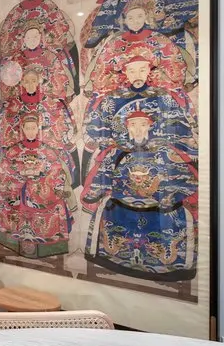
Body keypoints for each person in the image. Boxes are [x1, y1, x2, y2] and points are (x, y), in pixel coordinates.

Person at [80, 109, 198, 281]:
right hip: (121, 208)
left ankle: (168, 270)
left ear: (150, 126)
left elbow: (185, 180)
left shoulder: (164, 151)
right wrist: (100, 192)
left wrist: (168, 196)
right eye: (133, 125)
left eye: (143, 125)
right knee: (106, 211)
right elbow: (102, 176)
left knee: (176, 218)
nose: (137, 130)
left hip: (157, 211)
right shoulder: (116, 151)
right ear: (127, 127)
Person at [81, 53, 195, 178]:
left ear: (148, 71)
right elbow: (98, 126)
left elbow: (178, 126)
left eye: (142, 70)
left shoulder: (162, 95)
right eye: (132, 71)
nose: (137, 75)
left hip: (157, 149)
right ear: (126, 73)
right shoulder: (113, 97)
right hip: (122, 149)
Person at [0, 114, 76, 259]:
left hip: (42, 190)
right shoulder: (13, 150)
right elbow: (4, 170)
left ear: (38, 129)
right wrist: (21, 175)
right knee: (7, 200)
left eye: (33, 128)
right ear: (22, 129)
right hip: (17, 191)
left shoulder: (47, 150)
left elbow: (56, 170)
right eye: (27, 128)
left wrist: (39, 177)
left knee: (57, 202)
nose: (30, 131)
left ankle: (48, 249)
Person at [85, 0, 190, 96]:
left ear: (146, 16)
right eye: (130, 18)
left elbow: (174, 69)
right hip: (122, 90)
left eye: (139, 16)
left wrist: (150, 76)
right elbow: (102, 72)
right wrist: (125, 78)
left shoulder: (159, 39)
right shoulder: (114, 43)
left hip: (157, 90)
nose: (135, 21)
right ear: (124, 20)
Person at [0, 0, 79, 90]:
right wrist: (19, 37)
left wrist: (46, 35)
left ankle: (68, 87)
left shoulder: (47, 4)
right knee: (4, 62)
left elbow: (58, 23)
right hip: (23, 43)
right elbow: (8, 29)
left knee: (64, 55)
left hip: (44, 41)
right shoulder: (17, 10)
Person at [0, 67, 79, 186]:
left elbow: (66, 127)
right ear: (21, 82)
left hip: (47, 148)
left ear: (39, 81)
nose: (30, 85)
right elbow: (0, 130)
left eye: (33, 80)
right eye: (27, 81)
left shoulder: (53, 102)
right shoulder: (11, 104)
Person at [0, 21, 74, 101]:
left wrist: (42, 81)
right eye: (28, 38)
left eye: (35, 37)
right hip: (21, 98)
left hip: (45, 98)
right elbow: (7, 84)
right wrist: (22, 83)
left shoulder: (50, 56)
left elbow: (59, 78)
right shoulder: (16, 58)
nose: (32, 41)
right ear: (23, 38)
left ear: (40, 37)